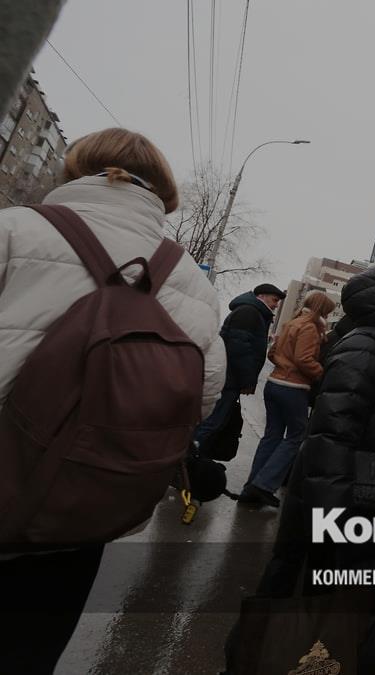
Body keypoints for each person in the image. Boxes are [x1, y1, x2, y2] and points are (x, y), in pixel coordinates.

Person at [0, 128, 225, 674]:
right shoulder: (193, 282)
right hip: (85, 506)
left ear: (77, 169)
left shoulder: (14, 229)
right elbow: (200, 398)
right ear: (163, 193)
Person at [235, 254, 375, 674]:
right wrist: (334, 526)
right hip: (358, 517)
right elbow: (329, 443)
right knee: (338, 627)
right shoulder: (365, 347)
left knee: (362, 625)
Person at [238, 290, 336, 507]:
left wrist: (284, 365)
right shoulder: (310, 327)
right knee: (295, 436)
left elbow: (272, 353)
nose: (328, 316)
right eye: (327, 312)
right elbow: (304, 359)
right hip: (293, 388)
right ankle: (263, 485)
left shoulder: (292, 323)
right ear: (321, 310)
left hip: (274, 384)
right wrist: (322, 373)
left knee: (272, 436)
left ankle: (251, 486)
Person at [194, 281, 287, 452]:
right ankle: (186, 457)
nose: (276, 305)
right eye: (274, 300)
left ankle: (189, 456)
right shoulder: (249, 312)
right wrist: (247, 381)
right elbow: (238, 350)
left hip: (230, 378)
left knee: (212, 422)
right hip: (229, 379)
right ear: (261, 296)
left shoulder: (253, 312)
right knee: (210, 423)